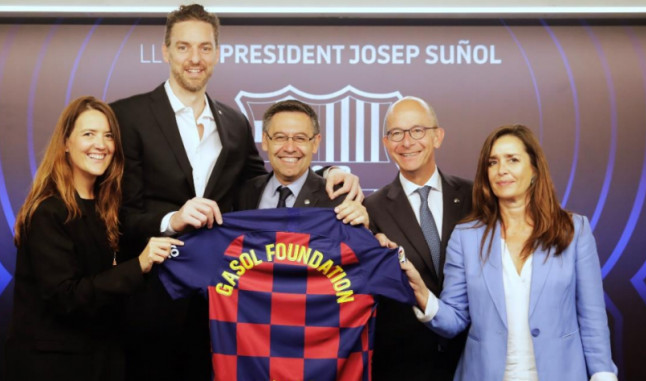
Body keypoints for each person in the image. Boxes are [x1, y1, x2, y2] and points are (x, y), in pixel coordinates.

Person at [109, 5, 362, 380]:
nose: (195, 58)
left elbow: (266, 182)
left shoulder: (234, 123)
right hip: (151, 297)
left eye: (205, 48)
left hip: (221, 304)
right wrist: (172, 220)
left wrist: (327, 171)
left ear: (217, 53)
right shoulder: (126, 116)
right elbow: (117, 217)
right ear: (165, 51)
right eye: (183, 47)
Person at [402, 124, 618, 380]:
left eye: (512, 160)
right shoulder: (465, 236)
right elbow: (455, 319)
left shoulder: (574, 230)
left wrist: (603, 374)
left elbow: (592, 317)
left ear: (534, 170)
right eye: (492, 162)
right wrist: (423, 295)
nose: (501, 170)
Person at [4, 96, 181, 381]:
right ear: (65, 143)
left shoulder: (105, 209)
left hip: (101, 361)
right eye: (89, 134)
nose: (101, 144)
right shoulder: (48, 211)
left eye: (108, 135)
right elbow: (66, 298)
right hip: (54, 368)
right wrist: (139, 264)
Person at [364, 96, 471, 380]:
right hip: (402, 366)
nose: (407, 142)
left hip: (471, 361)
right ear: (386, 144)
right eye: (396, 133)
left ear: (438, 136)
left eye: (417, 131)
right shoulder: (370, 209)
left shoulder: (476, 198)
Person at [236, 99, 367, 227]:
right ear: (265, 141)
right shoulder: (241, 194)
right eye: (280, 137)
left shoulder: (340, 201)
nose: (290, 148)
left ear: (315, 143)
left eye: (300, 138)